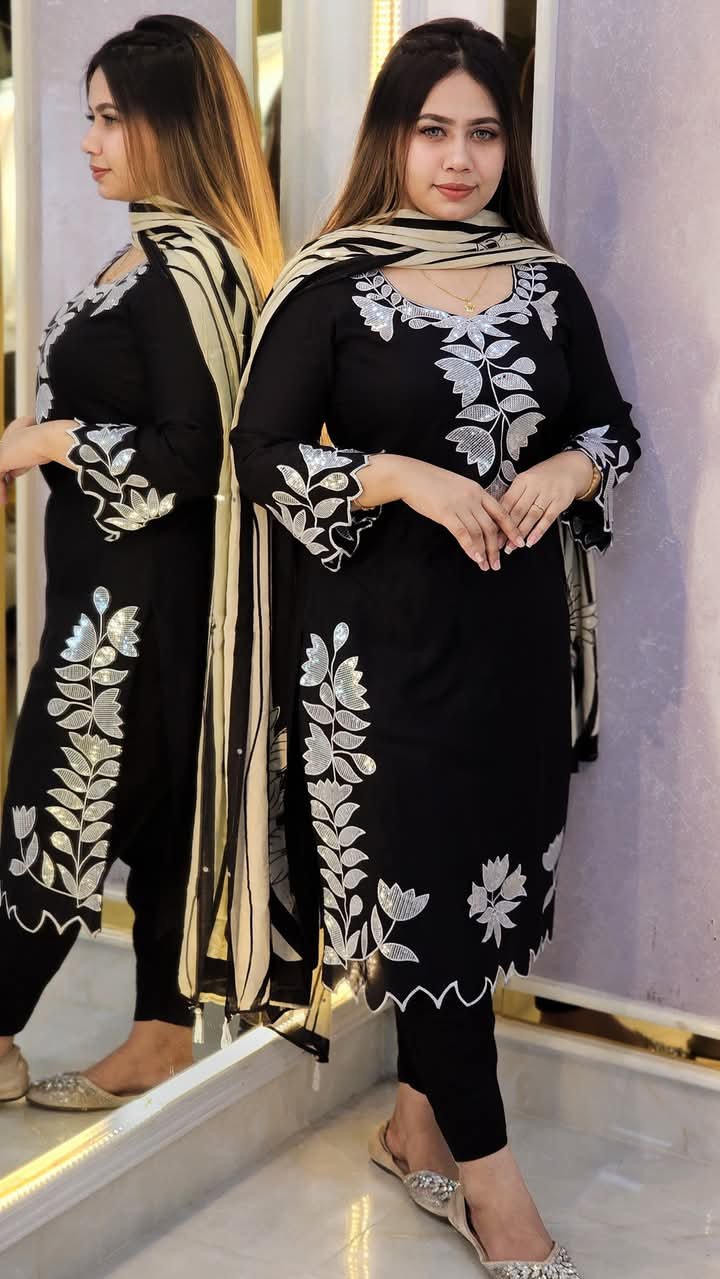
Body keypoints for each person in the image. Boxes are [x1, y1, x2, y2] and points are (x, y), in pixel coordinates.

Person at [224, 19, 641, 1273]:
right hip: (376, 663)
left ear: (509, 147)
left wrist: (569, 469)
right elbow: (261, 455)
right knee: (428, 910)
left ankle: (414, 1126)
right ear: (391, 140)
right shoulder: (332, 284)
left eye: (484, 133)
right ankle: (497, 1194)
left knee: (480, 896)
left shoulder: (545, 283)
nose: (459, 159)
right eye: (433, 131)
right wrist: (401, 473)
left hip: (514, 652)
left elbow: (611, 425)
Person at [0, 14, 281, 1111]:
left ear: (175, 125)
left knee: (57, 811)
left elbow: (194, 455)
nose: (90, 141)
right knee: (162, 814)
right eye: (91, 117)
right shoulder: (155, 255)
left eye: (113, 118)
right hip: (121, 596)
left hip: (136, 613)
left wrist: (46, 441)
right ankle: (161, 1035)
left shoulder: (185, 270)